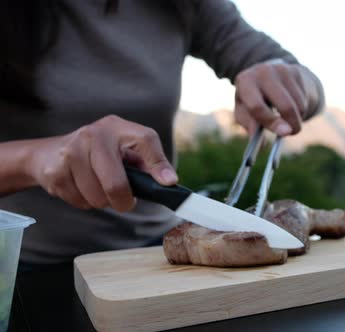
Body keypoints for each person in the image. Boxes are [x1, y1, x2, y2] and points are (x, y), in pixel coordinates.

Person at [0, 0, 325, 264]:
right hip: (23, 266)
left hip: (159, 255)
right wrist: (32, 158)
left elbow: (300, 78)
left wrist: (287, 82)